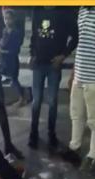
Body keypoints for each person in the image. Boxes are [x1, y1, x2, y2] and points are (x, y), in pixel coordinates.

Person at [28, 7, 78, 149]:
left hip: (53, 65)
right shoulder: (36, 10)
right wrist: (32, 53)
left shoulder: (65, 12)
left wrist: (63, 56)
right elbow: (34, 34)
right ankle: (33, 133)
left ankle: (51, 133)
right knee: (36, 101)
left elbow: (75, 37)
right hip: (38, 64)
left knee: (52, 101)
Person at [61, 7, 95, 172]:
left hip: (93, 79)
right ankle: (74, 147)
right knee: (76, 115)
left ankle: (93, 155)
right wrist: (73, 74)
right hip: (79, 76)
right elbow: (81, 45)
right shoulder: (82, 10)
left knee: (94, 121)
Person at [0, 9, 29, 107]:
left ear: (14, 19)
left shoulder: (16, 32)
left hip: (11, 60)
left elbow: (15, 49)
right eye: (5, 19)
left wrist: (2, 51)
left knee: (14, 79)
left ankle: (22, 98)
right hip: (2, 59)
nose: (7, 21)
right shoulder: (4, 30)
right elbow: (1, 43)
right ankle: (0, 98)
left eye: (9, 19)